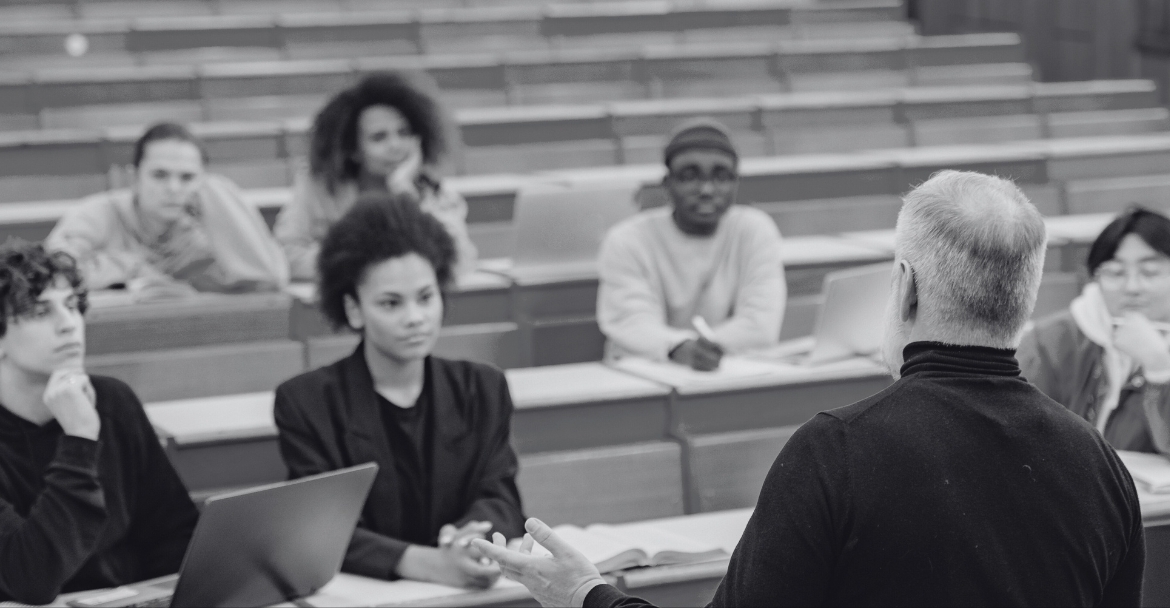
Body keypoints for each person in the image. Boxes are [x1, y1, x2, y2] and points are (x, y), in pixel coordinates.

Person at [474, 171, 1146, 607]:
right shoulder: (1097, 463)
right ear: (1026, 297)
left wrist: (586, 593)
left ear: (904, 286)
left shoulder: (839, 450)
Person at [273, 192, 524, 588]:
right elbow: (320, 528)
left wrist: (467, 540)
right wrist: (429, 563)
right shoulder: (306, 402)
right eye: (391, 304)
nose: (415, 318)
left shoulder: (482, 387)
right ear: (354, 310)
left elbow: (502, 500)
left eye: (426, 297)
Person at [0, 241, 198, 604]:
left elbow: (174, 535)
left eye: (71, 306)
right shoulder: (87, 421)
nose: (69, 325)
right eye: (40, 312)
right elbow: (31, 579)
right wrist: (80, 439)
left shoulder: (113, 401)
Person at [596, 118, 785, 371]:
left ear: (735, 183)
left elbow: (760, 324)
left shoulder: (754, 230)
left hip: (731, 373)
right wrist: (678, 348)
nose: (706, 189)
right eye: (689, 176)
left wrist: (701, 351)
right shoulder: (627, 240)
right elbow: (630, 322)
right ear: (667, 184)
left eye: (721, 176)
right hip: (647, 375)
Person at [45, 123, 289, 300]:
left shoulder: (203, 235)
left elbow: (267, 280)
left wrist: (217, 191)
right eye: (160, 175)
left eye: (187, 178)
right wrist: (133, 268)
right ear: (134, 176)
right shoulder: (98, 214)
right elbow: (52, 271)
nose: (173, 189)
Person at [273, 71, 477, 282]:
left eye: (404, 133)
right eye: (379, 137)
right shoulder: (318, 186)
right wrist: (366, 264)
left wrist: (406, 194)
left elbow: (460, 262)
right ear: (353, 149)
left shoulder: (431, 191)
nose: (395, 146)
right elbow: (285, 256)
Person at [1019, 206, 1170, 454]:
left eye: (1150, 272)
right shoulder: (1051, 341)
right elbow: (1017, 426)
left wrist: (1159, 368)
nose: (1132, 287)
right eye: (1115, 273)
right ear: (1095, 277)